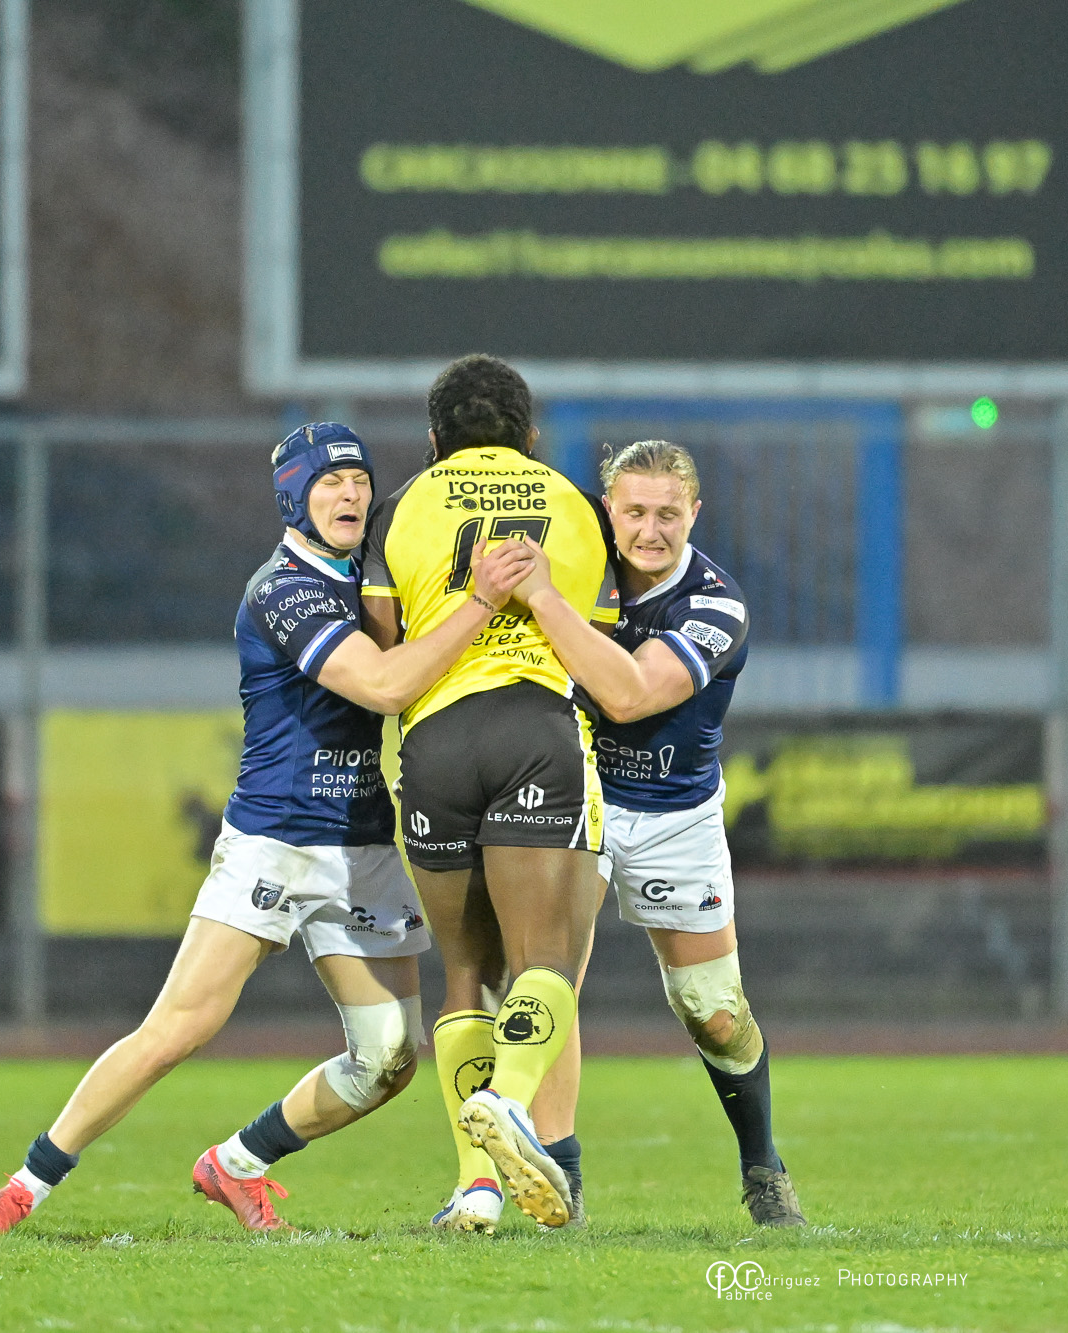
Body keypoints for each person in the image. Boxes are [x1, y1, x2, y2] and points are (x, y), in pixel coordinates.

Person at [0, 422, 535, 1234]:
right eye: (330, 482)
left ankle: (237, 1163)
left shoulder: (370, 579)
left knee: (390, 1057)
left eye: (360, 480)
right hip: (277, 841)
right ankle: (23, 1187)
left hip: (364, 842)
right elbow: (385, 685)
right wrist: (481, 601)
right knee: (177, 1029)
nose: (352, 493)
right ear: (294, 497)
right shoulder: (283, 589)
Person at [506, 440, 806, 1228]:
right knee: (549, 982)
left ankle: (762, 1166)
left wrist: (543, 599)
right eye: (634, 511)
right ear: (609, 509)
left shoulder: (716, 604)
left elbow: (632, 695)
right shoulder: (579, 570)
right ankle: (562, 1181)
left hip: (677, 816)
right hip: (578, 794)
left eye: (668, 513)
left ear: (694, 514)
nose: (650, 530)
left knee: (714, 1011)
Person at [357, 355, 618, 1231]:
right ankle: (507, 1100)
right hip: (535, 731)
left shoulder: (402, 505)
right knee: (545, 962)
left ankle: (476, 1188)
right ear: (530, 435)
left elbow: (386, 642)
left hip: (434, 743)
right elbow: (592, 643)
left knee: (464, 973)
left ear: (435, 438)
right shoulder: (575, 506)